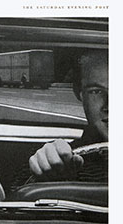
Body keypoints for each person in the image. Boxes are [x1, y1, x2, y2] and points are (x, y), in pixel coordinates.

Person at [27, 49, 108, 183]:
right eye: (96, 91)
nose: (110, 105)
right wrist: (45, 175)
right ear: (79, 94)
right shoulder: (53, 161)